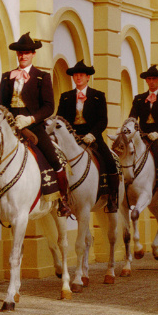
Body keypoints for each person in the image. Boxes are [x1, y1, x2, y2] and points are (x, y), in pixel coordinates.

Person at [0, 32, 72, 216]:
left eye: (27, 52)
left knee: (55, 160)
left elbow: (49, 107)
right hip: (9, 129)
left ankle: (62, 200)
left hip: (34, 128)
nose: (23, 56)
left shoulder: (42, 77)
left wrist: (30, 119)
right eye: (20, 53)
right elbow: (0, 103)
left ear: (33, 54)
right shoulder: (7, 77)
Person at [57, 60, 119, 213]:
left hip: (92, 137)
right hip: (72, 139)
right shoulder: (65, 97)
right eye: (76, 75)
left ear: (87, 78)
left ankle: (112, 197)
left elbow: (103, 120)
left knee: (110, 161)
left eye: (81, 75)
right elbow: (59, 119)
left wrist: (92, 134)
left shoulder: (98, 96)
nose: (78, 78)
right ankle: (60, 198)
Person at [129, 65, 158, 208]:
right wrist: (130, 128)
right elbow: (133, 117)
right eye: (149, 79)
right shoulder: (138, 99)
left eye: (154, 79)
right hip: (142, 136)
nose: (151, 81)